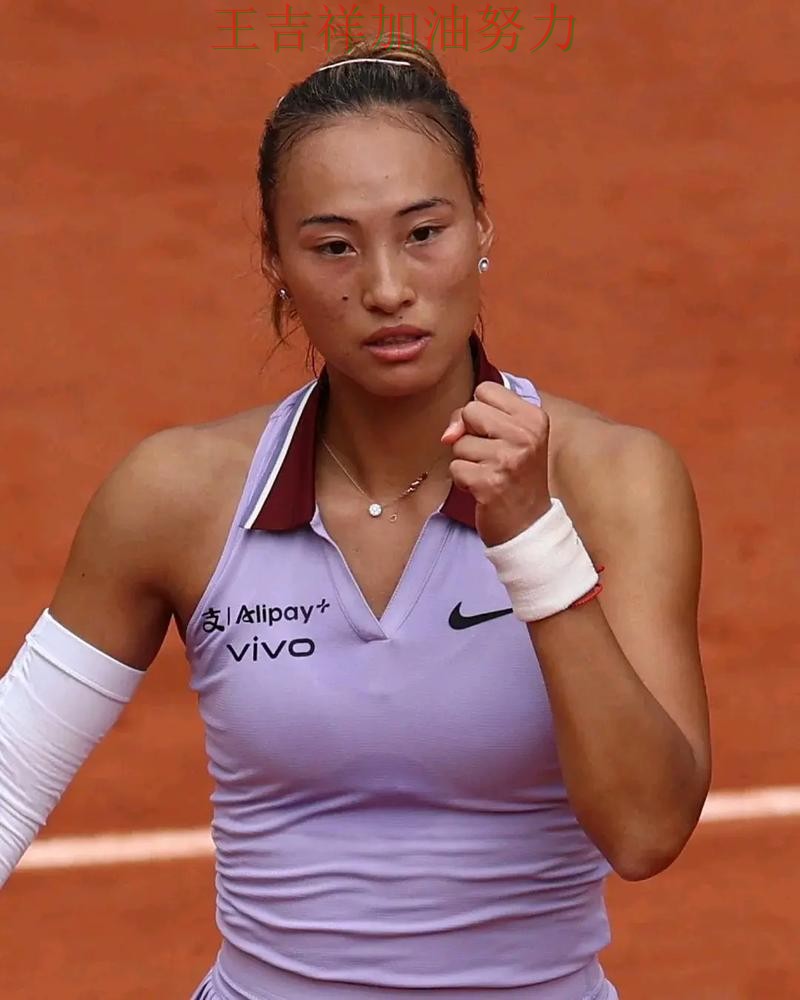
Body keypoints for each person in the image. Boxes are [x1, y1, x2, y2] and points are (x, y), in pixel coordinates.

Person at [0, 37, 711, 1000]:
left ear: (482, 227)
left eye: (424, 232)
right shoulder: (176, 497)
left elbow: (647, 830)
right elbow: (9, 779)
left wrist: (533, 539)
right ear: (275, 262)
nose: (385, 288)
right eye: (334, 245)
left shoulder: (615, 482)